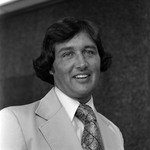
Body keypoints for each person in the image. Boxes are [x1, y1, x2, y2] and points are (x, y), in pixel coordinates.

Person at [0, 17, 124, 150]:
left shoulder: (114, 133)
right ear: (51, 67)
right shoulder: (13, 121)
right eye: (68, 54)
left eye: (89, 52)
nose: (82, 64)